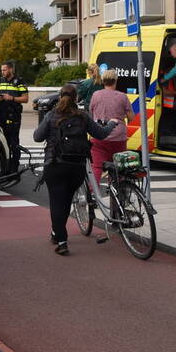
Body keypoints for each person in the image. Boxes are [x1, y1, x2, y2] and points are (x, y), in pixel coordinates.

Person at [34, 84, 117, 255]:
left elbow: (37, 137)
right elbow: (101, 134)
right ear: (76, 98)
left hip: (55, 165)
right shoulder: (83, 117)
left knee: (57, 203)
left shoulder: (51, 115)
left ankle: (62, 240)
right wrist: (111, 124)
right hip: (77, 167)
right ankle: (56, 233)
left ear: (59, 96)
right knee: (65, 202)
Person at [89, 68, 135, 184]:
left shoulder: (96, 95)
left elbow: (91, 113)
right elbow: (131, 117)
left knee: (97, 167)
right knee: (118, 167)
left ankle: (93, 195)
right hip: (118, 137)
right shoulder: (122, 96)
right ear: (115, 81)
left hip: (99, 136)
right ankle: (117, 194)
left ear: (103, 81)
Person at [0, 61, 28, 168]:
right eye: (1, 70)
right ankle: (5, 164)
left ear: (10, 69)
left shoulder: (19, 81)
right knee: (3, 141)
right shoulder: (0, 81)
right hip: (1, 115)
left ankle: (14, 165)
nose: (2, 72)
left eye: (4, 70)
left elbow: (25, 98)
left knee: (14, 142)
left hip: (14, 116)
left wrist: (12, 98)